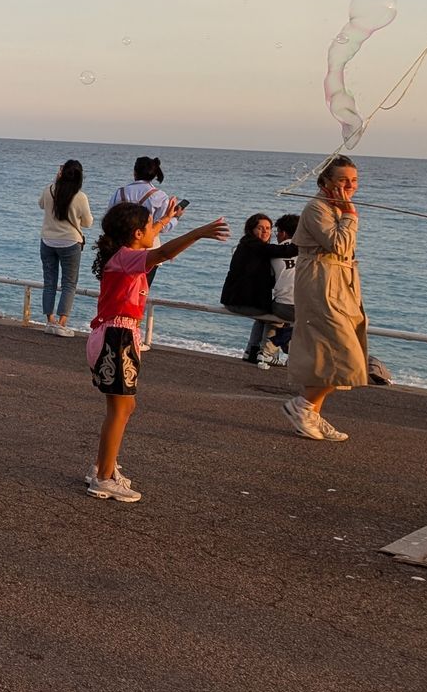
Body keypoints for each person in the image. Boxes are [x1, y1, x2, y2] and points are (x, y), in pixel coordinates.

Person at [84, 202, 230, 502]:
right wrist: (199, 232)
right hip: (116, 337)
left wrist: (165, 219)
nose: (155, 231)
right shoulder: (126, 258)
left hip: (119, 335)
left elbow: (152, 240)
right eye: (151, 227)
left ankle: (104, 467)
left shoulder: (123, 254)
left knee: (124, 408)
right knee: (120, 409)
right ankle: (102, 477)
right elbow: (163, 253)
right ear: (137, 233)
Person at [283, 156, 369, 443]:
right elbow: (340, 243)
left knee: (326, 354)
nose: (350, 185)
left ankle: (310, 413)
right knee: (343, 353)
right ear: (325, 182)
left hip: (339, 279)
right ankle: (303, 406)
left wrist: (346, 212)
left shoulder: (335, 207)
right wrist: (350, 214)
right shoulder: (316, 208)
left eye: (354, 180)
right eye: (343, 180)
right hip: (322, 279)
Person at [220, 214, 296, 364]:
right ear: (251, 229)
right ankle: (268, 352)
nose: (265, 232)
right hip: (245, 304)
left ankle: (252, 350)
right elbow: (285, 251)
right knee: (276, 314)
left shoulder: (245, 246)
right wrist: (305, 243)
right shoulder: (256, 246)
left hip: (232, 301)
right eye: (260, 228)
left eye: (268, 228)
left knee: (268, 313)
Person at [38, 159, 93, 334]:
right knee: (69, 283)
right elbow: (88, 223)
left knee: (49, 282)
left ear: (61, 173)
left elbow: (41, 204)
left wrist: (56, 181)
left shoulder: (49, 190)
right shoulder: (80, 197)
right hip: (70, 242)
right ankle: (62, 323)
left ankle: (49, 320)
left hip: (47, 240)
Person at [106, 156, 175, 287]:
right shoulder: (160, 196)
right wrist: (175, 218)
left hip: (120, 249)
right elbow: (164, 228)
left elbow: (109, 219)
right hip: (148, 252)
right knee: (140, 294)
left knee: (119, 290)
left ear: (134, 172)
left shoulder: (119, 192)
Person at [269, 213, 300, 360]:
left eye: (277, 233)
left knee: (272, 313)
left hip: (282, 307)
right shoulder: (310, 251)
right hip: (306, 308)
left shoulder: (274, 252)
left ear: (283, 233)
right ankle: (291, 354)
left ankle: (264, 351)